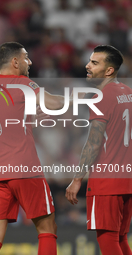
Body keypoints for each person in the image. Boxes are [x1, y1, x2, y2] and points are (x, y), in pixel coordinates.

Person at [0, 42, 74, 255]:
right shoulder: (24, 84)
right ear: (15, 61)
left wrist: (27, 118)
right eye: (26, 57)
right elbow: (53, 103)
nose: (30, 62)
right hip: (24, 168)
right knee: (47, 228)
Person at [66, 45, 132, 255]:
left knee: (107, 240)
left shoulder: (101, 96)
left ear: (109, 70)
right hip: (127, 178)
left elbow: (94, 142)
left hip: (107, 181)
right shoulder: (127, 92)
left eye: (95, 63)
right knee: (120, 238)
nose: (88, 66)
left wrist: (77, 179)